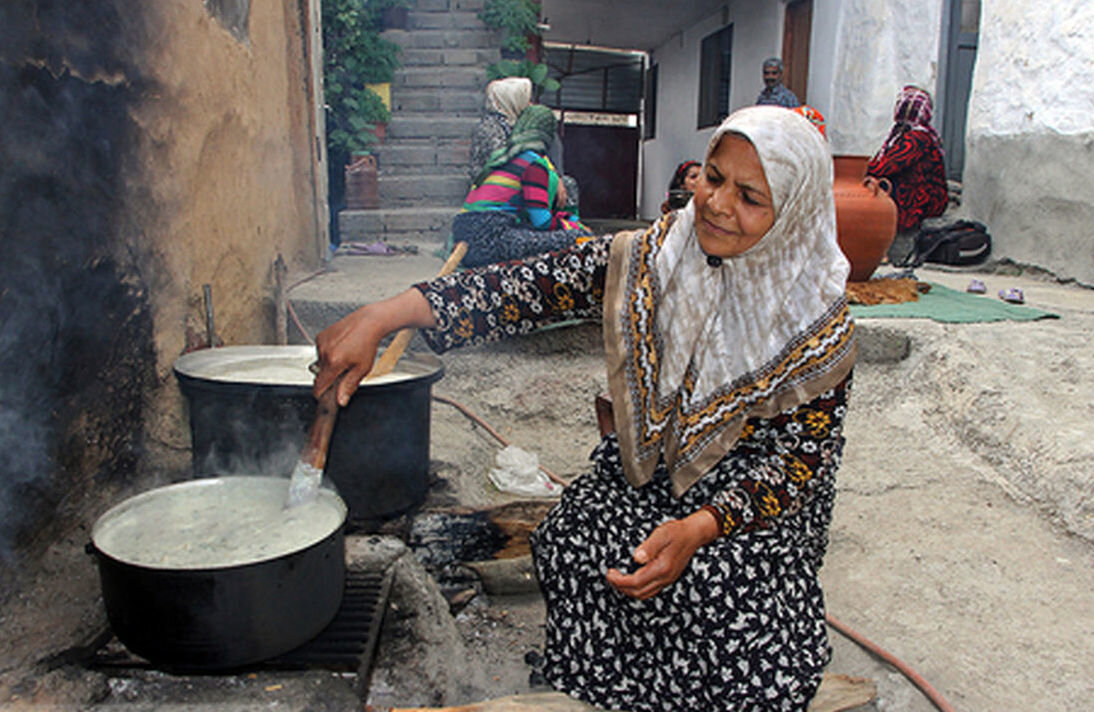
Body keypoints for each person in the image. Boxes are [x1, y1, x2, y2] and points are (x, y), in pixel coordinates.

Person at [312, 106, 856, 711]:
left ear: (795, 214)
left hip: (749, 509)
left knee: (719, 595)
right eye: (713, 176)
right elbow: (538, 284)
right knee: (576, 536)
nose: (717, 203)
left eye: (750, 196)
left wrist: (699, 529)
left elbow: (797, 462)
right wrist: (388, 313)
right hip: (661, 468)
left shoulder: (817, 322)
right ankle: (606, 683)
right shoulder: (661, 254)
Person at [454, 104, 591, 267]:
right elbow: (541, 222)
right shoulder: (534, 163)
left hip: (462, 234)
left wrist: (569, 220)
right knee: (577, 237)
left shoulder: (503, 155)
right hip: (490, 239)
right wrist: (573, 227)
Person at [866, 85, 948, 261]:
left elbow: (887, 166)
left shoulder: (918, 138)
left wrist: (859, 170)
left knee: (878, 192)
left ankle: (884, 250)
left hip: (925, 197)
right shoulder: (900, 134)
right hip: (909, 188)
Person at [468, 77, 532, 182]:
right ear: (512, 101)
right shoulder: (491, 129)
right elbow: (506, 166)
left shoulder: (513, 125)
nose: (530, 105)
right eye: (526, 100)